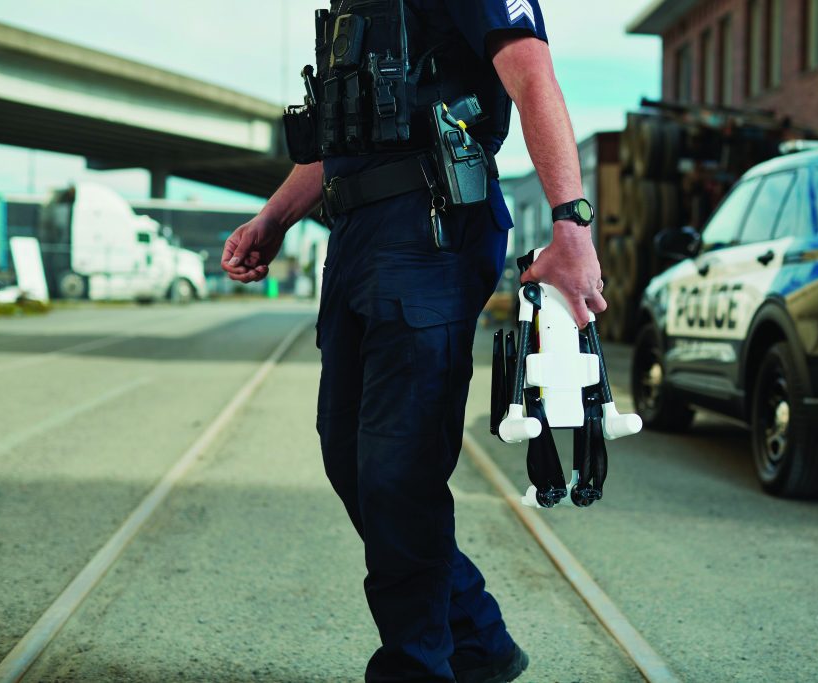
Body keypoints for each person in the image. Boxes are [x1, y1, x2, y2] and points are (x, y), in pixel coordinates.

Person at [221, 1, 606, 680]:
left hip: (431, 226)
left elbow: (531, 75)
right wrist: (274, 217)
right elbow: (355, 135)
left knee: (398, 470)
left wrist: (571, 226)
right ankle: (476, 639)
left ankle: (416, 666)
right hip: (355, 232)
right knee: (350, 458)